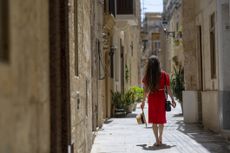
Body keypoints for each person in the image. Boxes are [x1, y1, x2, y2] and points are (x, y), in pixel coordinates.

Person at [141, 55, 176, 146]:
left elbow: (145, 90)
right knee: (161, 120)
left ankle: (157, 139)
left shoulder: (147, 76)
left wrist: (143, 102)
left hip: (152, 98)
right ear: (158, 64)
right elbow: (168, 89)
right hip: (161, 98)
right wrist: (172, 100)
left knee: (154, 120)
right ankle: (160, 137)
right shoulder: (164, 75)